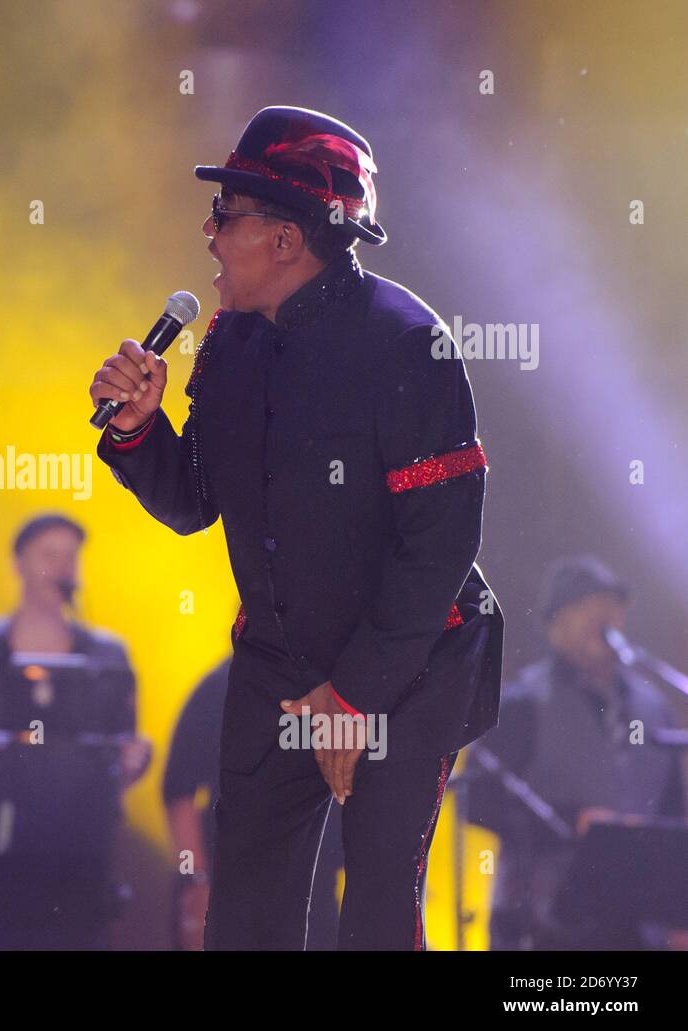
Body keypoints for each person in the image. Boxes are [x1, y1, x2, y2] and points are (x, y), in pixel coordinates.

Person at [89, 105, 503, 950]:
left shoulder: (406, 344)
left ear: (286, 241)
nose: (207, 234)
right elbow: (193, 501)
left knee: (378, 911)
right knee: (245, 914)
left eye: (225, 216)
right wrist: (137, 429)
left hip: (406, 666)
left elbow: (439, 549)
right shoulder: (232, 339)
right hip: (279, 662)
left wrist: (353, 697)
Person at [0, 513, 150, 949]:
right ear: (18, 563)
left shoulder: (108, 655)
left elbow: (123, 751)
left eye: (71, 556)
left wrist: (132, 761)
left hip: (78, 866)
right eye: (49, 554)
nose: (63, 567)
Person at [467, 556, 685, 949]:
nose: (603, 614)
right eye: (585, 604)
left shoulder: (655, 706)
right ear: (555, 623)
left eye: (612, 604)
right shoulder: (521, 705)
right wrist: (569, 819)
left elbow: (672, 811)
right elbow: (480, 801)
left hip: (639, 928)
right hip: (545, 923)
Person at [163, 653, 343, 950]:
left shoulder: (338, 694)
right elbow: (180, 791)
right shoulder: (223, 688)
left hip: (314, 885)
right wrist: (197, 883)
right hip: (232, 886)